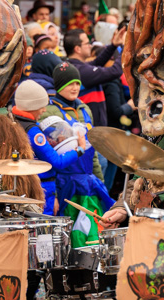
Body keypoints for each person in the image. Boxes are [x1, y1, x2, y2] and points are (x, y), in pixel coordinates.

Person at [41, 63, 113, 248]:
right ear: (58, 86)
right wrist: (53, 193)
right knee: (70, 237)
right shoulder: (50, 111)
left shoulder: (85, 109)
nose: (74, 87)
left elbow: (92, 149)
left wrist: (100, 180)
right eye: (69, 83)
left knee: (93, 233)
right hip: (65, 183)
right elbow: (46, 157)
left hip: (88, 181)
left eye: (77, 83)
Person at [11, 80, 87, 215]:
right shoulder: (33, 133)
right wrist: (80, 149)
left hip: (25, 188)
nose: (44, 110)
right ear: (31, 105)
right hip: (41, 190)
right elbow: (57, 162)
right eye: (41, 105)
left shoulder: (13, 122)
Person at [61, 27, 126, 128]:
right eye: (87, 43)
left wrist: (114, 45)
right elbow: (115, 71)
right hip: (92, 131)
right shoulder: (80, 71)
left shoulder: (75, 66)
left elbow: (97, 62)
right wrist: (126, 48)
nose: (90, 46)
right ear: (77, 49)